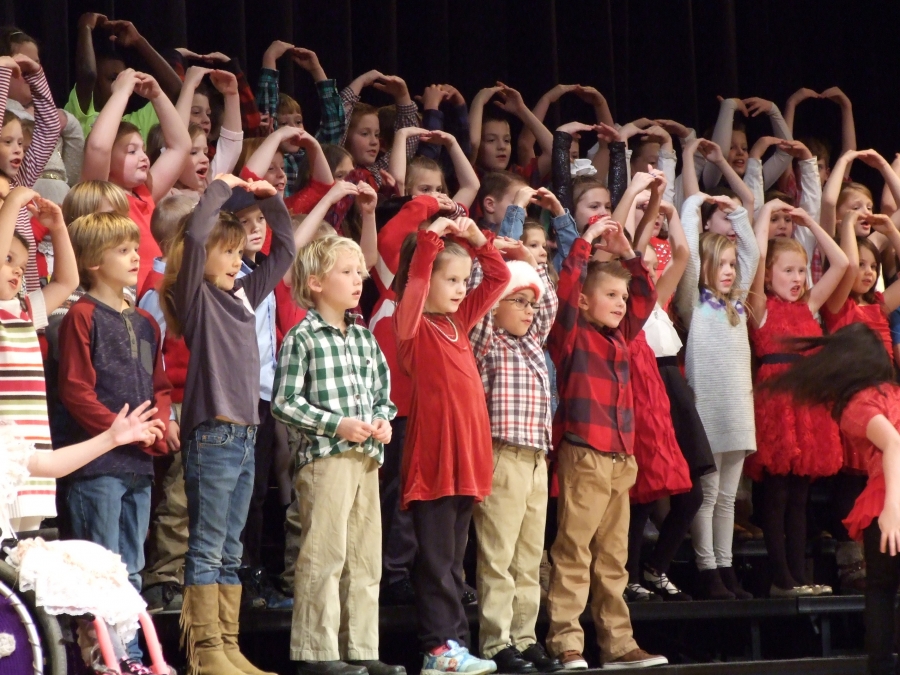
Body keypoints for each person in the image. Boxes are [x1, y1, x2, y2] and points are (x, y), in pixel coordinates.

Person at [159, 174, 294, 675]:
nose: (239, 260)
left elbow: (284, 254)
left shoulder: (243, 293)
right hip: (213, 432)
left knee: (232, 545)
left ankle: (228, 643)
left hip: (244, 432)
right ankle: (205, 651)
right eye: (229, 251)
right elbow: (195, 238)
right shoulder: (197, 300)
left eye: (239, 251)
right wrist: (218, 188)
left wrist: (270, 199)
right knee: (209, 543)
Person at [272, 235, 401, 675]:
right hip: (326, 459)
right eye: (346, 272)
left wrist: (383, 421)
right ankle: (317, 650)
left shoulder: (364, 339)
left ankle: (361, 648)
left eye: (359, 272)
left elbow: (384, 396)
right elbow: (284, 402)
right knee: (324, 556)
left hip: (366, 459)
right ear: (315, 283)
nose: (357, 279)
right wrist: (336, 423)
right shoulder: (302, 337)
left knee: (365, 559)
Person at [544, 214, 666, 670]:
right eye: (609, 296)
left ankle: (618, 643)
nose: (620, 303)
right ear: (584, 300)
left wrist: (628, 252)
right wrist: (586, 241)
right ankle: (566, 642)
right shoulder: (572, 335)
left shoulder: (622, 336)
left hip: (620, 459)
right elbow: (566, 292)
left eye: (620, 296)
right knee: (574, 551)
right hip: (586, 454)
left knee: (614, 557)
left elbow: (645, 294)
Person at [56, 208, 173, 673]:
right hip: (98, 466)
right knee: (100, 568)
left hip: (139, 464)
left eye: (134, 247)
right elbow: (75, 389)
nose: (134, 256)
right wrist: (115, 431)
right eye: (121, 250)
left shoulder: (146, 321)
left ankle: (132, 656)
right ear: (93, 263)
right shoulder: (82, 317)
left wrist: (158, 425)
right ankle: (104, 657)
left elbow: (159, 385)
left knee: (132, 565)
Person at [393, 216, 510, 675]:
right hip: (436, 459)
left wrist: (479, 240)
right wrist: (431, 237)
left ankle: (454, 646)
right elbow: (416, 280)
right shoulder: (414, 326)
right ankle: (438, 648)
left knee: (455, 563)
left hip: (468, 460)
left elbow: (498, 277)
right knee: (438, 561)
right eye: (452, 280)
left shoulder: (459, 323)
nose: (462, 289)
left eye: (464, 280)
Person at [758, 323, 900, 675]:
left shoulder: (857, 406)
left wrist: (893, 508)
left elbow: (894, 445)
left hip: (888, 498)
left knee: (881, 591)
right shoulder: (893, 393)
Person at [744, 199, 849, 597]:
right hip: (776, 407)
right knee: (778, 495)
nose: (797, 277)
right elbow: (752, 259)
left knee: (801, 498)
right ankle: (780, 577)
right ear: (768, 276)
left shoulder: (810, 304)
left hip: (807, 404)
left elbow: (841, 264)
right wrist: (766, 215)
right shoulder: (761, 308)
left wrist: (808, 222)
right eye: (787, 270)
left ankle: (799, 576)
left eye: (802, 271)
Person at [468, 242, 560, 673]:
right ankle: (495, 641)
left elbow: (549, 303)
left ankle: (525, 638)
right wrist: (493, 254)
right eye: (517, 302)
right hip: (502, 456)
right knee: (499, 556)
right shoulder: (487, 341)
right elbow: (481, 294)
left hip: (537, 460)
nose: (528, 311)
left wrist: (528, 255)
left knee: (529, 557)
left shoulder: (533, 343)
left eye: (530, 304)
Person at [621, 174, 712, 603]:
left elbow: (682, 252)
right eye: (645, 263)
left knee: (694, 491)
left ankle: (656, 567)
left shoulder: (658, 304)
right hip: (645, 389)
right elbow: (629, 252)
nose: (653, 266)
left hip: (675, 392)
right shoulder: (632, 307)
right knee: (643, 493)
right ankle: (630, 574)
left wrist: (670, 213)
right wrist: (648, 203)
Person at [675, 192, 760, 600]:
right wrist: (695, 203)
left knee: (727, 498)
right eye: (720, 264)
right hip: (708, 413)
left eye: (731, 265)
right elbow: (689, 259)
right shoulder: (695, 305)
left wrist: (739, 213)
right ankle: (706, 569)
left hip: (738, 411)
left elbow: (754, 254)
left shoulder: (738, 306)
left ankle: (726, 569)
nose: (728, 272)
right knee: (707, 497)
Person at [0, 188, 79, 532]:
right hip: (5, 460)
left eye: (21, 263)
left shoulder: (25, 311)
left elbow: (67, 281)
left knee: (19, 565)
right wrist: (14, 203)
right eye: (7, 259)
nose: (16, 271)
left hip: (33, 462)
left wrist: (59, 227)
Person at [80, 67, 191, 289]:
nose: (143, 157)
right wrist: (121, 93)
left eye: (142, 149)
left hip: (157, 299)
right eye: (132, 151)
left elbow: (181, 146)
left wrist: (157, 96)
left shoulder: (144, 193)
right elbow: (98, 147)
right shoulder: (101, 198)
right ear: (109, 161)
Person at [138, 194, 195, 613]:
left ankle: (180, 572)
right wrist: (164, 413)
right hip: (171, 405)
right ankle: (163, 579)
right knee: (175, 494)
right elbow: (151, 361)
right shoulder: (157, 294)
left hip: (190, 402)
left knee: (188, 493)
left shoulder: (179, 286)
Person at [68, 13, 183, 140]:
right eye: (112, 79)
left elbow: (177, 91)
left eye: (123, 78)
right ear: (94, 86)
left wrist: (139, 41)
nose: (120, 83)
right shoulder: (82, 115)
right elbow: (87, 74)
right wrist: (85, 28)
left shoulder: (135, 122)